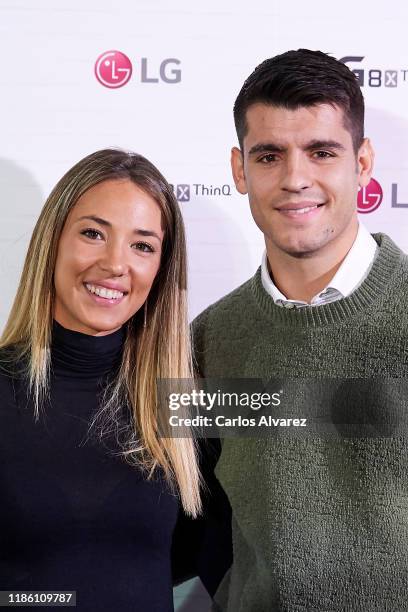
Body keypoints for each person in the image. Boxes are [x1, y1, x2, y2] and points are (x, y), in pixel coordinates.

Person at [192, 50, 408, 611]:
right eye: (269, 155)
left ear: (362, 164)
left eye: (321, 152)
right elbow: (207, 527)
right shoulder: (209, 339)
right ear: (239, 170)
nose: (295, 179)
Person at [0, 148, 230, 611]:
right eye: (93, 233)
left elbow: (339, 418)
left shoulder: (188, 402)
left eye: (142, 245)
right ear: (53, 242)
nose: (114, 263)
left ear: (161, 269)